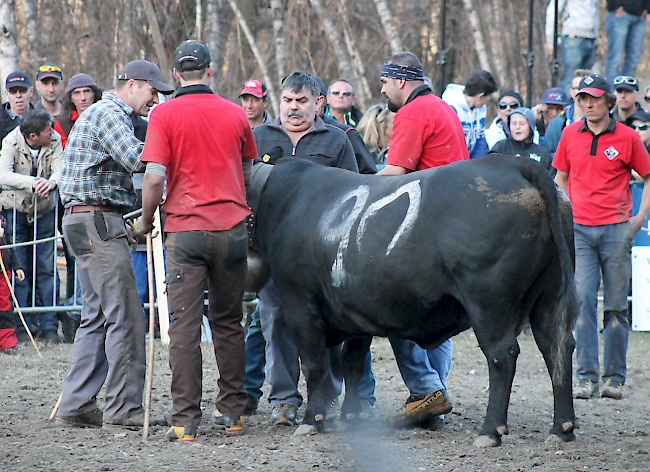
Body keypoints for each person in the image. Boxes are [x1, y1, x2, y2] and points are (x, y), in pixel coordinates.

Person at [137, 40, 255, 442]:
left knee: (184, 329)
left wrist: (145, 219)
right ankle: (233, 412)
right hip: (231, 230)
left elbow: (154, 178)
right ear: (210, 70)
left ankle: (185, 421)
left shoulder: (163, 113)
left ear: (174, 75)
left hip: (185, 231)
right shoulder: (236, 113)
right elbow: (249, 172)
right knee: (228, 322)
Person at [55, 60, 173, 430]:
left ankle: (76, 404)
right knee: (126, 314)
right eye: (153, 92)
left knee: (97, 315)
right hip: (98, 222)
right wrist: (171, 139)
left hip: (83, 219)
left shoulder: (105, 112)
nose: (155, 100)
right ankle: (124, 408)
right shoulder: (111, 113)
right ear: (134, 85)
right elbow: (137, 158)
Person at [253, 70, 358, 426]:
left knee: (329, 325)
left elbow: (353, 195)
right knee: (275, 319)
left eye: (301, 101)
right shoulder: (257, 137)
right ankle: (283, 400)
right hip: (273, 253)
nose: (293, 108)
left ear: (319, 103)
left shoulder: (337, 141)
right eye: (287, 101)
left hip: (323, 256)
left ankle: (325, 397)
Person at [377, 51, 468, 426]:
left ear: (400, 81)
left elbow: (396, 172)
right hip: (452, 226)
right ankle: (436, 392)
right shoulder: (444, 108)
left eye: (384, 82)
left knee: (394, 308)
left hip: (426, 227)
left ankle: (426, 389)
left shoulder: (413, 112)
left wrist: (353, 185)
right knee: (440, 316)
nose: (381, 89)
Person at [553, 74, 650, 401]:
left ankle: (615, 378)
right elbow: (560, 178)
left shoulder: (628, 137)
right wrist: (563, 218)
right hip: (579, 231)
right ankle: (585, 377)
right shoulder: (569, 134)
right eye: (583, 98)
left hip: (616, 231)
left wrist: (638, 219)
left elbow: (648, 176)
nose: (588, 104)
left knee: (616, 308)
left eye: (594, 98)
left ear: (610, 102)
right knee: (580, 305)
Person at [0, 109, 62, 343]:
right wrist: (32, 183)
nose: (53, 132)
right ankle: (20, 326)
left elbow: (60, 168)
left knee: (47, 268)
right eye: (48, 130)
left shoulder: (54, 141)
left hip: (44, 212)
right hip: (16, 211)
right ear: (33, 136)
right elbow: (2, 174)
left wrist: (52, 182)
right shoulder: (10, 141)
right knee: (19, 269)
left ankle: (49, 326)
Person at [545, 0, 599, 93]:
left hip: (590, 38)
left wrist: (596, 39)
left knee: (588, 82)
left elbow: (595, 13)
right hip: (572, 36)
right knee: (569, 80)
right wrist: (550, 40)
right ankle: (567, 106)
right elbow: (554, 10)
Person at [442, 70, 498, 159]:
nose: (488, 100)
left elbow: (480, 140)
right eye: (488, 97)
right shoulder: (451, 109)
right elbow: (447, 146)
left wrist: (475, 166)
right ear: (480, 96)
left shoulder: (481, 109)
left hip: (468, 163)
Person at [542, 69, 591, 159]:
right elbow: (546, 157)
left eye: (584, 88)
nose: (581, 92)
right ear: (571, 92)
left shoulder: (597, 121)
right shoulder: (557, 122)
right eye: (577, 88)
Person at [490, 107, 554, 174]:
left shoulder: (542, 154)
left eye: (522, 124)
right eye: (514, 123)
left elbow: (548, 181)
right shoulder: (500, 148)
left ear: (530, 126)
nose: (517, 127)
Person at [0, 192, 25, 355]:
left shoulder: (3, 219)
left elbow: (9, 243)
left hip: (3, 272)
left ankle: (7, 342)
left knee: (5, 307)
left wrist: (17, 266)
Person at [54, 74, 103, 149]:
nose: (83, 98)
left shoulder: (106, 117)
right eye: (77, 93)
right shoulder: (62, 123)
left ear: (94, 94)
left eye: (87, 91)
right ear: (71, 98)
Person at [605, 0, 648, 80]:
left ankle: (626, 90)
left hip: (640, 16)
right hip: (619, 15)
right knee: (615, 60)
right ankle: (611, 91)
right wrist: (616, 6)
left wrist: (647, 9)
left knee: (633, 60)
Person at [356, 103, 395, 171]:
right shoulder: (360, 150)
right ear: (381, 127)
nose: (400, 124)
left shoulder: (397, 147)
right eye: (394, 122)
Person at [0, 72, 33, 145]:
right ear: (6, 93)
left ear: (31, 91)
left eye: (23, 90)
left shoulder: (43, 119)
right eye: (13, 91)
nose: (18, 95)